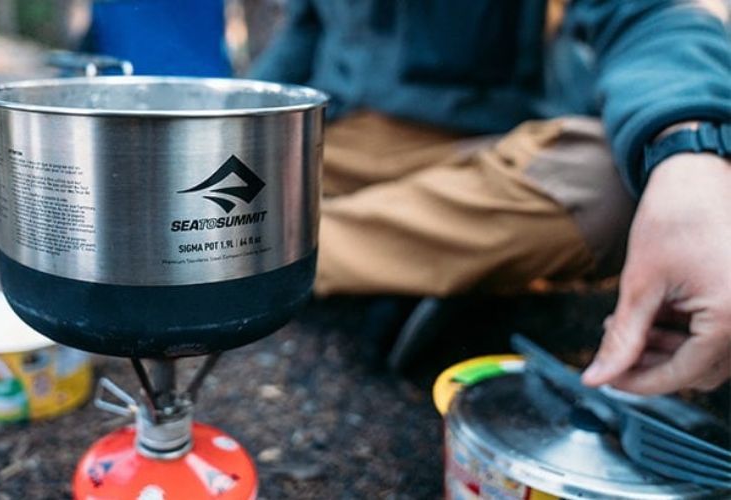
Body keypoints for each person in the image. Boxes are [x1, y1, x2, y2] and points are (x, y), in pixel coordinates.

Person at [248, 0, 731, 394]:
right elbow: (303, 34)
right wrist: (241, 116)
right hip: (345, 138)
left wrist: (688, 149)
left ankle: (270, 257)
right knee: (232, 166)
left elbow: (654, 16)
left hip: (499, 148)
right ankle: (399, 263)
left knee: (607, 180)